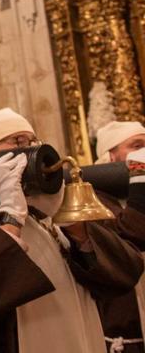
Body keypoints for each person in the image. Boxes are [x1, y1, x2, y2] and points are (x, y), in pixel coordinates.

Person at [0, 107, 144, 352]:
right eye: (18, 141)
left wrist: (76, 231)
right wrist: (10, 217)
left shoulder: (41, 212)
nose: (31, 151)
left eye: (34, 141)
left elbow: (124, 275)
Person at [94, 121, 145, 352]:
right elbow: (132, 238)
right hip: (126, 332)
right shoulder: (94, 198)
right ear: (111, 156)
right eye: (137, 145)